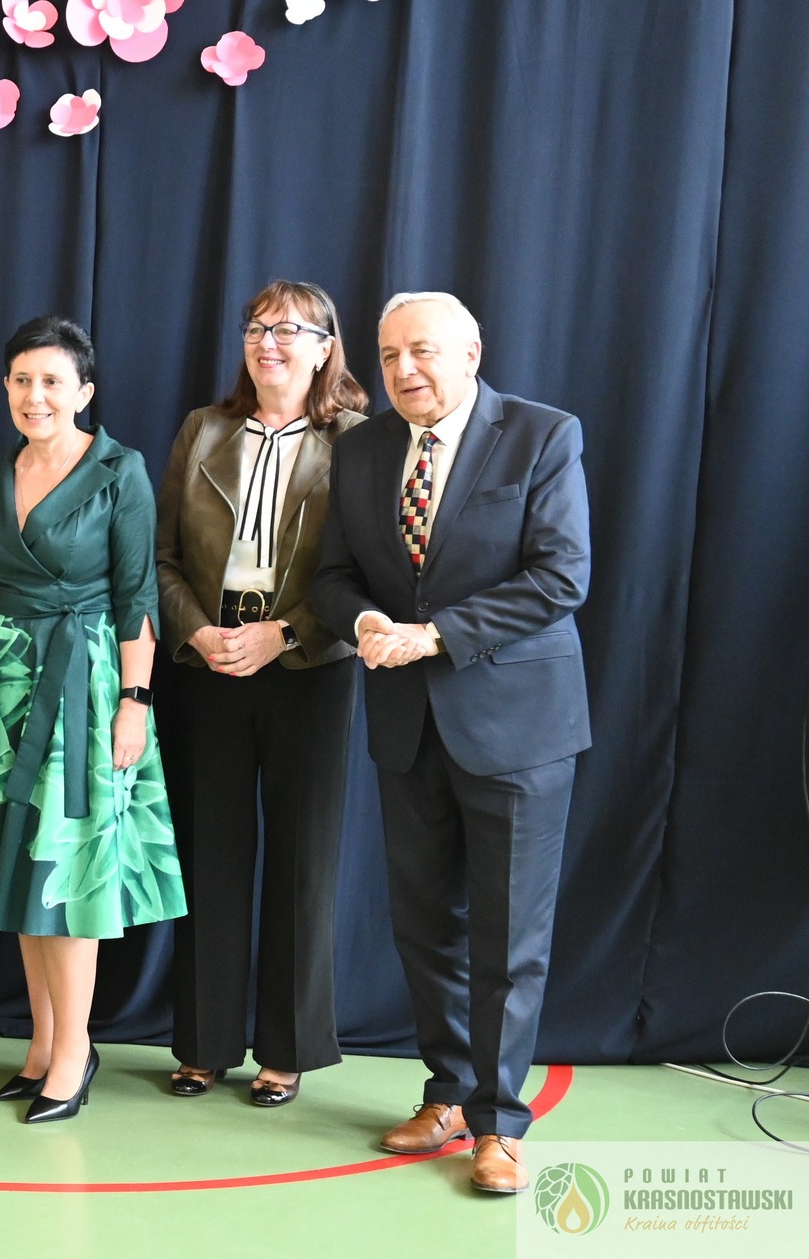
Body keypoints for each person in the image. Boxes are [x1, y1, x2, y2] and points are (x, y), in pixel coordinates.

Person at [310, 291, 590, 1194]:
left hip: (519, 727)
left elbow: (562, 575)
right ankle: (449, 1092)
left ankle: (500, 1124)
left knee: (509, 936)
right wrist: (364, 622)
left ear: (472, 352)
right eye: (391, 355)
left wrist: (435, 635)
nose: (405, 371)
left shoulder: (542, 435)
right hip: (408, 726)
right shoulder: (362, 449)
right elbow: (331, 577)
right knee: (426, 926)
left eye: (423, 351)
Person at [0, 315, 184, 1123]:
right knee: (21, 869)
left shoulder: (119, 470)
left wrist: (135, 703)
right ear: (5, 387)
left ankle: (75, 1050)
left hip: (85, 685)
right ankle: (42, 1044)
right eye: (21, 380)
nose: (34, 395)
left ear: (84, 391)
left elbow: (138, 597)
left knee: (68, 873)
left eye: (51, 381)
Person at [154, 281, 367, 1106]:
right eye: (254, 327)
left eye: (287, 330)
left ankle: (287, 1048)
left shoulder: (358, 440)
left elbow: (368, 569)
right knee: (209, 851)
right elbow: (162, 557)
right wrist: (198, 633)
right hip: (209, 660)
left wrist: (286, 633)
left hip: (308, 664)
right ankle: (203, 1043)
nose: (266, 342)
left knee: (302, 859)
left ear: (324, 347)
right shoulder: (203, 430)